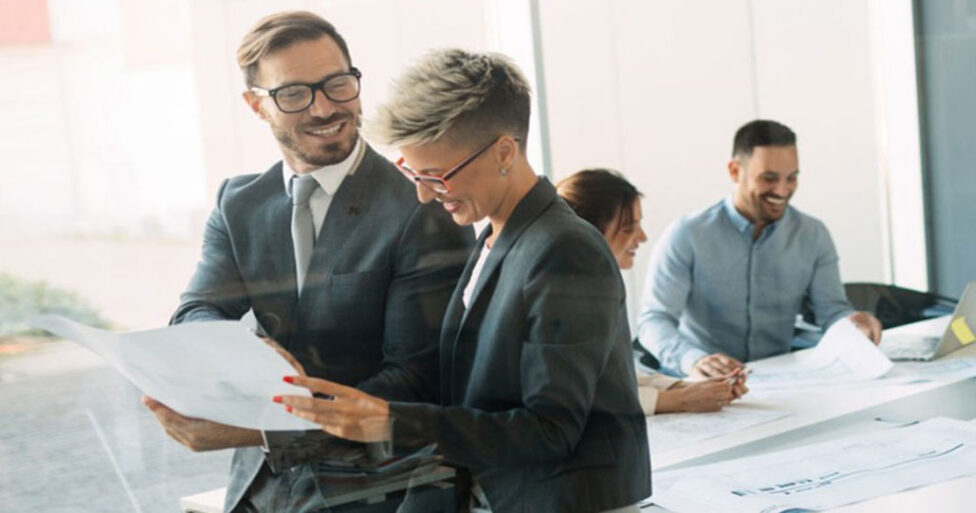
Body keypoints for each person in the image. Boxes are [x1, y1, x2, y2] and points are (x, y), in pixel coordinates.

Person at [276, 49, 651, 513]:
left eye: (436, 175)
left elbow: (551, 430)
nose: (422, 193)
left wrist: (392, 422)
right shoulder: (497, 237)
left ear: (504, 152)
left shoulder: (564, 250)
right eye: (411, 172)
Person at [143, 11, 473, 513]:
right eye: (294, 93)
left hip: (376, 491)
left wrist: (264, 428)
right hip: (255, 496)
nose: (325, 108)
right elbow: (194, 312)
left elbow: (416, 380)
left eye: (338, 84)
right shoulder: (239, 202)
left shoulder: (422, 208)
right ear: (256, 105)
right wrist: (250, 352)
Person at [637, 119, 882, 379]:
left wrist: (853, 324)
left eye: (792, 178)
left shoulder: (813, 235)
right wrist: (694, 360)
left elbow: (832, 312)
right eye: (769, 178)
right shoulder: (687, 234)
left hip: (781, 379)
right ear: (734, 171)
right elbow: (655, 321)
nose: (782, 190)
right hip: (703, 384)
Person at [556, 169, 747, 414]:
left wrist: (693, 387)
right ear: (587, 231)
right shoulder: (559, 298)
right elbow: (581, 395)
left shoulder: (597, 286)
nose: (642, 237)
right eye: (628, 227)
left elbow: (617, 377)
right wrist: (681, 400)